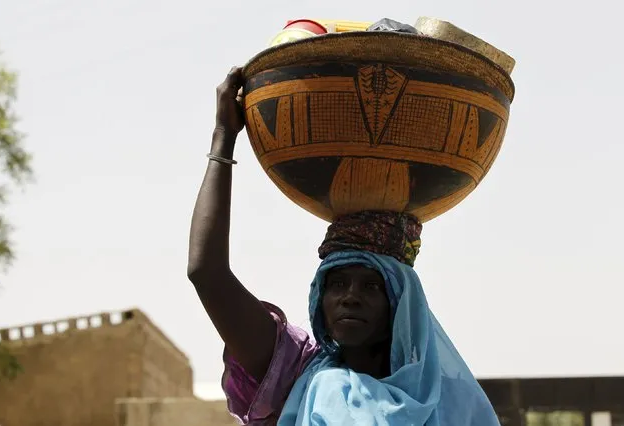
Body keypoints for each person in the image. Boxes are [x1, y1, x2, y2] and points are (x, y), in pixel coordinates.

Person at [187, 67, 501, 425]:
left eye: (371, 285)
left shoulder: (452, 403)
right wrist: (224, 136)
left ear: (401, 305)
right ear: (319, 297)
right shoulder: (292, 371)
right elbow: (206, 273)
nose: (350, 297)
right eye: (336, 284)